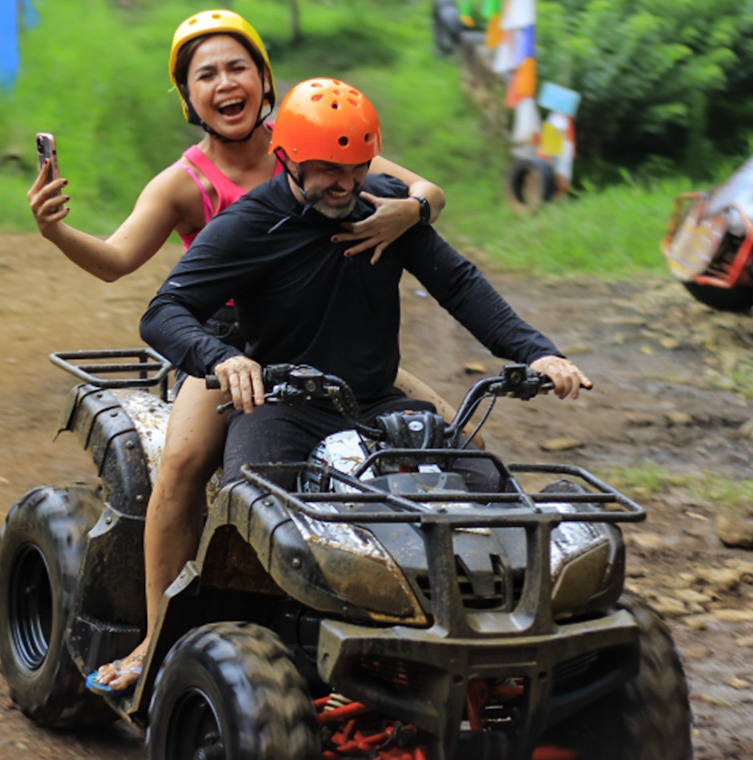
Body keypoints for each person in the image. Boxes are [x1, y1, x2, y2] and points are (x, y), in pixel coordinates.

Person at [27, 10, 454, 695]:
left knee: (440, 425)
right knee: (183, 465)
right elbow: (115, 262)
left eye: (237, 68)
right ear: (188, 97)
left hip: (324, 337)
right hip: (226, 350)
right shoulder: (182, 182)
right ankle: (154, 638)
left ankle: (426, 602)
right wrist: (56, 232)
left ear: (263, 81)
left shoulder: (315, 138)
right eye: (206, 75)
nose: (225, 83)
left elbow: (421, 187)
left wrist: (413, 211)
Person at [140, 77, 591, 492]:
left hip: (377, 403)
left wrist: (537, 352)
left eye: (357, 167)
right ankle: (172, 582)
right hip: (280, 409)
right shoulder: (249, 226)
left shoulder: (384, 208)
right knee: (255, 509)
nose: (346, 184)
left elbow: (458, 284)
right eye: (328, 169)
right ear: (288, 158)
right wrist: (222, 359)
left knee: (491, 490)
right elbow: (163, 312)